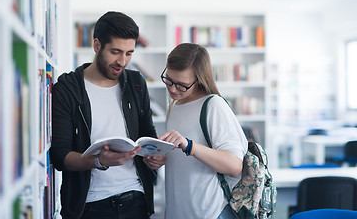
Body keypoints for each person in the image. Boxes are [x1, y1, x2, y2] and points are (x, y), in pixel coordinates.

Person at [50, 11, 166, 219]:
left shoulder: (136, 83)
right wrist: (98, 161)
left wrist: (156, 155)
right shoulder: (67, 88)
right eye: (115, 52)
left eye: (129, 53)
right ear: (97, 46)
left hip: (136, 200)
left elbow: (148, 133)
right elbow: (60, 156)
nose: (122, 61)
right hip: (88, 206)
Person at [159, 43, 248, 219]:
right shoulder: (175, 105)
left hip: (210, 213)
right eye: (168, 79)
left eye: (181, 85)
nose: (172, 89)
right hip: (180, 211)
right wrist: (161, 157)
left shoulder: (213, 105)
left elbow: (234, 165)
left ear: (199, 80)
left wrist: (189, 145)